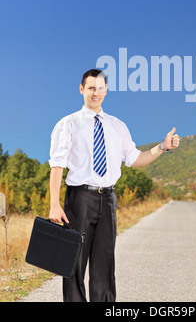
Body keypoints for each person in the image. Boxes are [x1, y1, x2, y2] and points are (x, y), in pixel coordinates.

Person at [49, 68, 180, 302]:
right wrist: (54, 205)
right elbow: (57, 166)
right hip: (79, 199)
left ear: (106, 91)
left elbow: (135, 159)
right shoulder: (68, 124)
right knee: (74, 265)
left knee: (104, 265)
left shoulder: (117, 126)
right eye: (91, 88)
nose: (95, 93)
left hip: (108, 199)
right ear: (81, 90)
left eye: (100, 88)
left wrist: (163, 147)